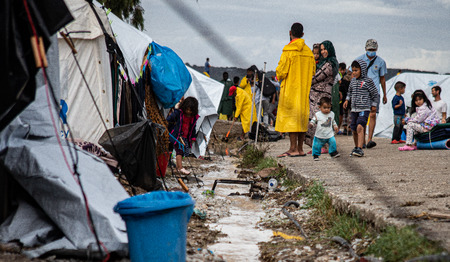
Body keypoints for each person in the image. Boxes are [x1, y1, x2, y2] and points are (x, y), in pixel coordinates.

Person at [275, 22, 315, 158]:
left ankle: (292, 149)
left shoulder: (288, 51)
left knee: (292, 119)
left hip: (291, 91)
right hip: (304, 91)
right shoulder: (309, 52)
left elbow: (281, 72)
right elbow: (313, 71)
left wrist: (278, 75)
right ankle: (300, 148)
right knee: (302, 118)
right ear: (303, 35)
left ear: (290, 33)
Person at [305, 40, 339, 153]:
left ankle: (322, 147)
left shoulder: (329, 64)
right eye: (322, 49)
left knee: (318, 121)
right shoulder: (324, 63)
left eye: (325, 49)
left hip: (321, 96)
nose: (323, 51)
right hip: (316, 96)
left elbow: (316, 78)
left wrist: (304, 80)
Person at [355, 39, 387, 149]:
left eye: (373, 49)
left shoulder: (381, 62)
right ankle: (362, 139)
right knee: (362, 115)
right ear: (365, 49)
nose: (371, 51)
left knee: (373, 113)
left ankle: (370, 139)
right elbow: (353, 75)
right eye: (369, 49)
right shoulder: (359, 60)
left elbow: (382, 79)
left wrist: (384, 94)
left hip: (375, 91)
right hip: (362, 91)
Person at [343, 59, 379, 157]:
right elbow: (349, 92)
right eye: (353, 70)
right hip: (354, 109)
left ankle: (360, 148)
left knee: (360, 126)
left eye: (356, 70)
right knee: (354, 129)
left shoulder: (368, 81)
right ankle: (356, 147)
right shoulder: (353, 81)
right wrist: (347, 100)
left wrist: (374, 105)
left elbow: (375, 94)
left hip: (364, 109)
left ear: (362, 70)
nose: (354, 73)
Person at [166, 97, 199, 175]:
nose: (188, 112)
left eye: (190, 110)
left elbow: (193, 128)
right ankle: (180, 168)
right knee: (179, 151)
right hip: (177, 136)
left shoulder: (193, 118)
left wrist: (193, 137)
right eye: (187, 109)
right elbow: (168, 120)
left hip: (185, 136)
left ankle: (178, 166)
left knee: (183, 152)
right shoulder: (178, 113)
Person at [308, 97, 340, 161]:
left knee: (333, 142)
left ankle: (333, 152)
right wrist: (311, 124)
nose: (327, 110)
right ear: (320, 107)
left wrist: (335, 127)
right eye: (324, 108)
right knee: (316, 145)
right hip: (319, 134)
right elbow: (314, 120)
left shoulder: (331, 114)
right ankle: (316, 155)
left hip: (329, 134)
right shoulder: (318, 114)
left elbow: (333, 121)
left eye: (328, 108)